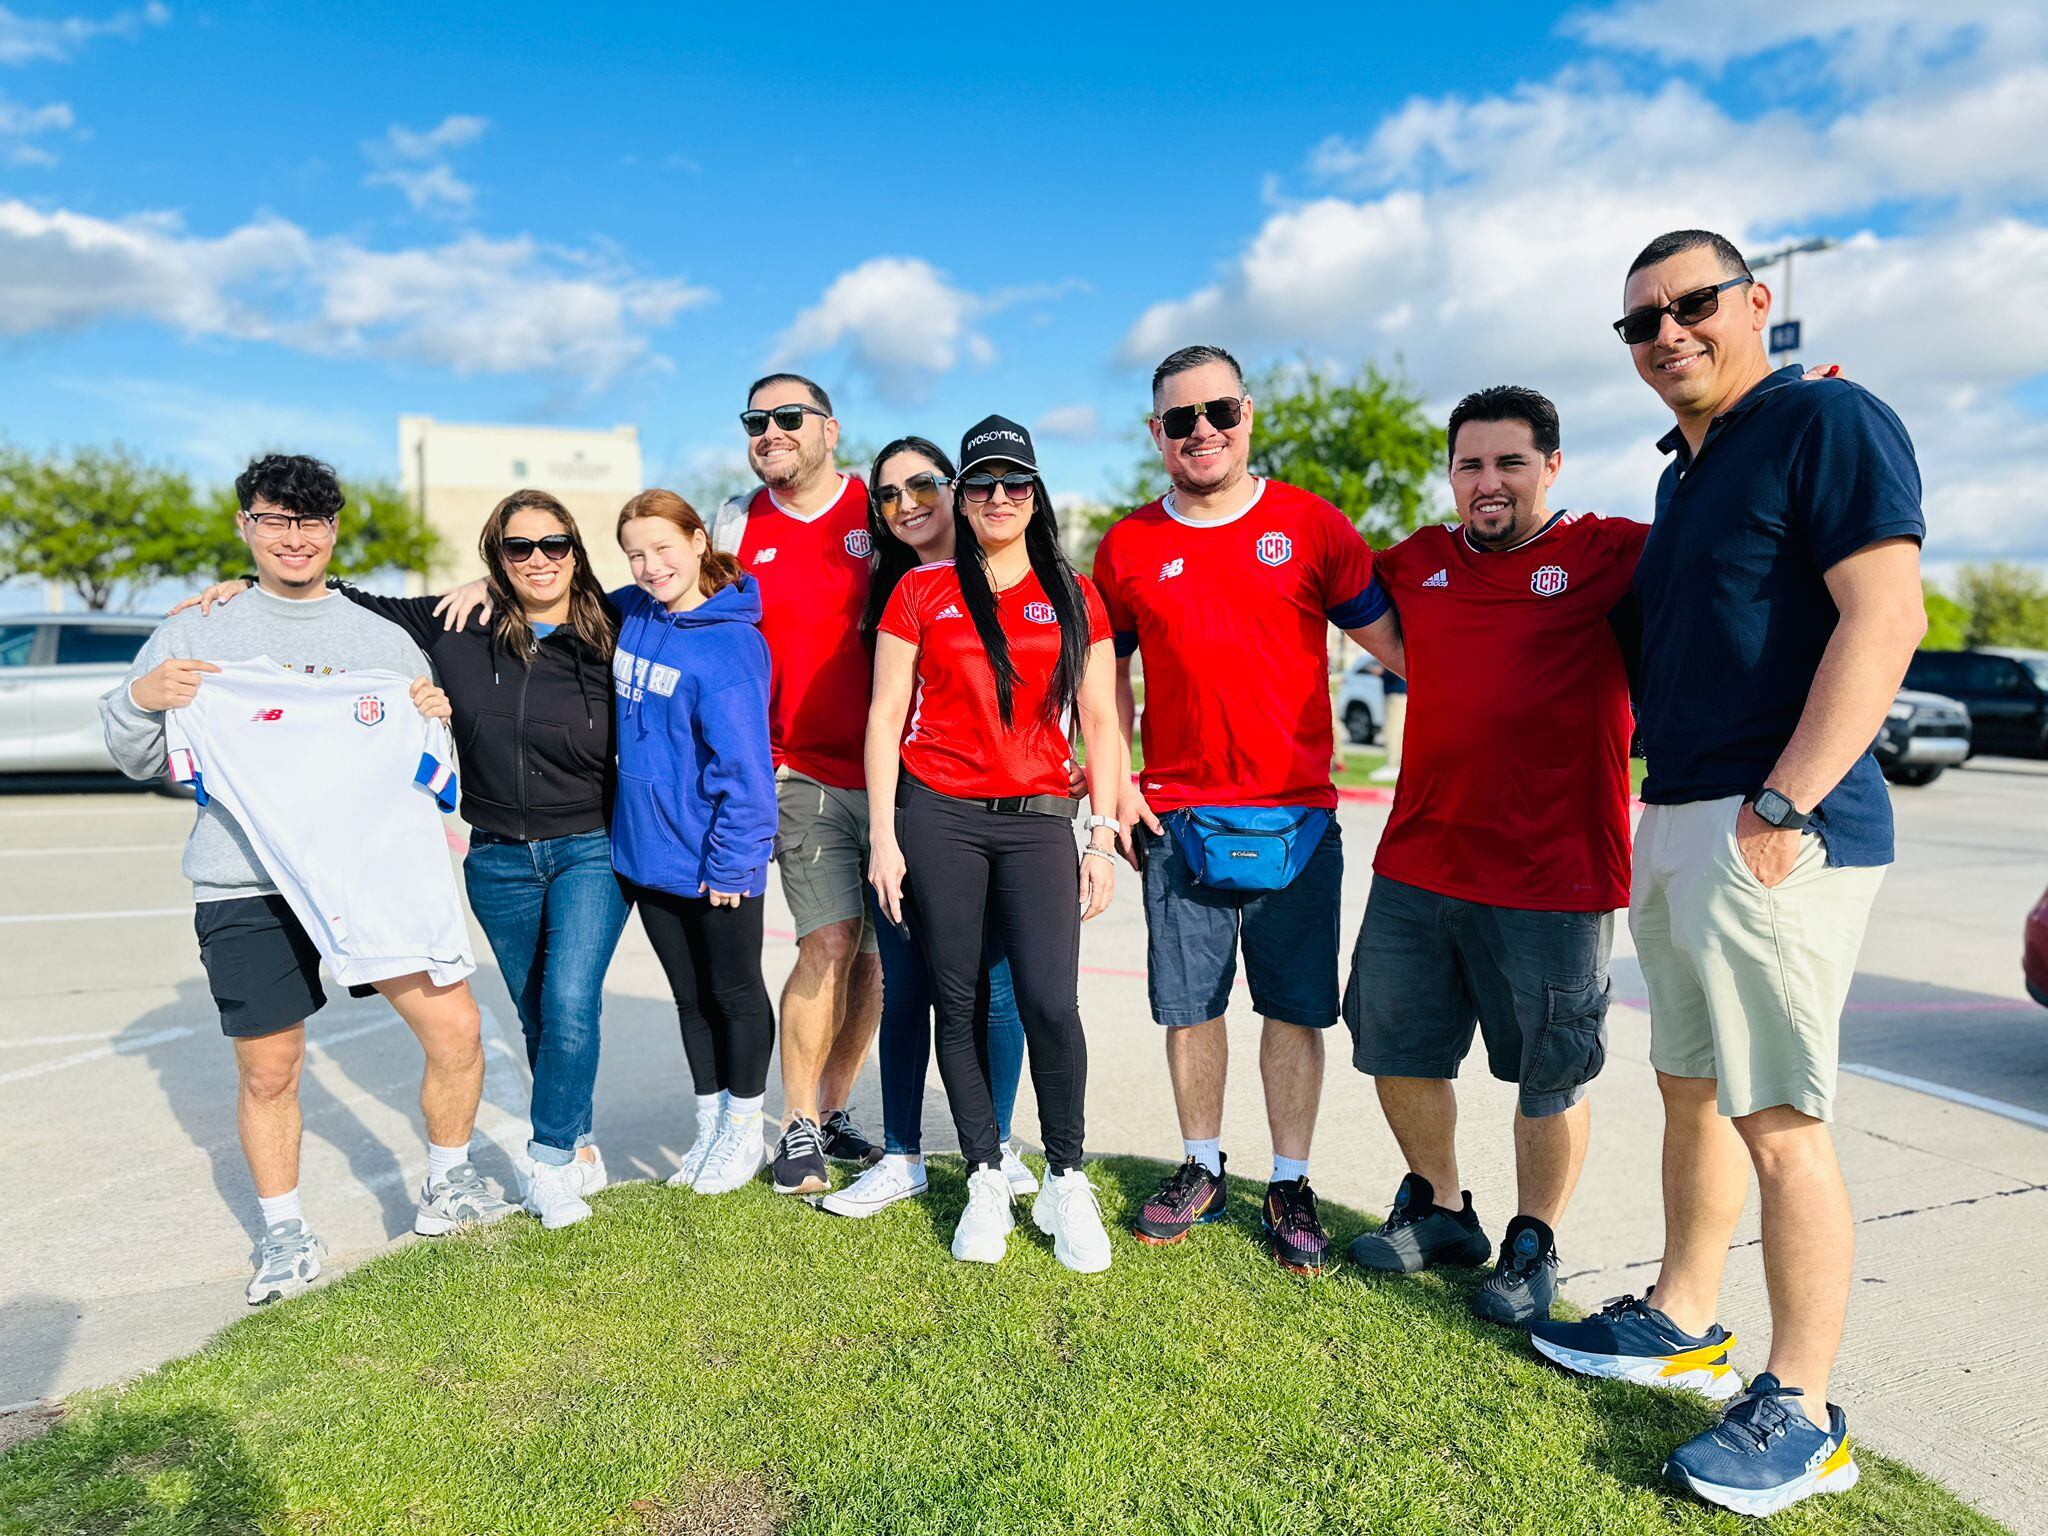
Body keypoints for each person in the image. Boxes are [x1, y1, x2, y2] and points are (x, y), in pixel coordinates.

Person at [1528, 229, 1926, 1518]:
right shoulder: (1686, 474)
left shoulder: (1830, 422)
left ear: (1756, 302)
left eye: (1689, 306)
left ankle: (1802, 1408)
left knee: (1778, 1121)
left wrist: (1780, 802)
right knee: (1688, 1088)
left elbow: (1886, 617)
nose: (1664, 335)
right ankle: (1683, 1315)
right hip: (1682, 809)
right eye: (1638, 323)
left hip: (1776, 826)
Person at [101, 454, 516, 1306]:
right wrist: (143, 698)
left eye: (312, 522)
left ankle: (449, 1181)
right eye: (276, 520)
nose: (295, 538)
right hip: (241, 881)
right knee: (270, 1071)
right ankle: (284, 1230)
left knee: (459, 1030)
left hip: (369, 874)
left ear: (333, 531)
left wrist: (433, 721)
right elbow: (140, 755)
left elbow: (436, 759)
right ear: (246, 527)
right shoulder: (194, 631)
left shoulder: (380, 640)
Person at [174, 490, 631, 1230]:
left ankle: (551, 1161)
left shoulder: (614, 626)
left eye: (554, 545)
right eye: (519, 549)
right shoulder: (456, 626)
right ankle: (575, 1134)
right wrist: (242, 588)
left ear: (576, 552)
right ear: (497, 558)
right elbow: (333, 596)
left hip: (591, 846)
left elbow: (681, 591)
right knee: (536, 1009)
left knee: (572, 1000)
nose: (539, 559)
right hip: (498, 859)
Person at [1093, 345, 1402, 1276]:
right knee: (1190, 1009)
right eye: (1181, 420)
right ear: (1157, 434)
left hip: (1297, 818)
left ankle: (1291, 1180)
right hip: (1177, 818)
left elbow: (1407, 652)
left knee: (1295, 1010)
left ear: (1248, 415)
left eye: (1217, 412)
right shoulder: (1128, 544)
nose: (1202, 433)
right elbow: (1104, 681)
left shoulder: (1312, 527)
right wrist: (1117, 793)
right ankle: (1200, 1166)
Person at [1340, 386, 1644, 1327]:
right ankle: (1439, 1208)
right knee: (1392, 1045)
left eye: (1510, 461)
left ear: (1552, 465)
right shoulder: (1420, 562)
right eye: (1470, 464)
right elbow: (1315, 579)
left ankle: (1532, 1242)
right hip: (1419, 864)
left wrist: (1785, 425)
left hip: (1557, 879)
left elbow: (1739, 534)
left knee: (1550, 1072)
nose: (1488, 481)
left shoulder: (1611, 554)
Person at [865, 415, 1123, 1272]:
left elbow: (1101, 725)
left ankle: (1067, 1177)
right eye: (982, 485)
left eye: (1016, 484)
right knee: (959, 1000)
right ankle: (982, 1173)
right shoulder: (920, 592)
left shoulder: (1076, 592)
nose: (999, 498)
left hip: (1042, 819)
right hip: (937, 814)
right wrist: (882, 838)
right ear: (963, 499)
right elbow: (882, 716)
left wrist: (1104, 833)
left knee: (1051, 1002)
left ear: (1036, 494)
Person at [820, 438, 1036, 1218]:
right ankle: (904, 1155)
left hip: (1012, 819)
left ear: (960, 488)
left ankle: (1000, 1145)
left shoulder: (1028, 573)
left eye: (922, 485)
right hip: (917, 807)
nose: (907, 503)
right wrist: (885, 831)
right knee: (908, 985)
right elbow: (885, 717)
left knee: (1000, 987)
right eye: (887, 495)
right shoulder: (897, 589)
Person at [707, 375, 882, 1194]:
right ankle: (799, 1127)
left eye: (787, 418)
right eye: (755, 421)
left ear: (830, 430)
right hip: (794, 769)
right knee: (831, 941)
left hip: (895, 775)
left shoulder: (881, 510)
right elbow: (674, 609)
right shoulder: (736, 523)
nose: (769, 431)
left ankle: (836, 1112)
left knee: (878, 961)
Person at [609, 490, 779, 1196]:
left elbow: (747, 770)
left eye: (663, 549)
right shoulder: (635, 610)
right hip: (648, 854)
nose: (651, 567)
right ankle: (709, 1125)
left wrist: (734, 861)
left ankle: (744, 1131)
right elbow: (564, 599)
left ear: (699, 538)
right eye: (635, 555)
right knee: (689, 998)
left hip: (716, 858)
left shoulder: (731, 642)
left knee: (734, 993)